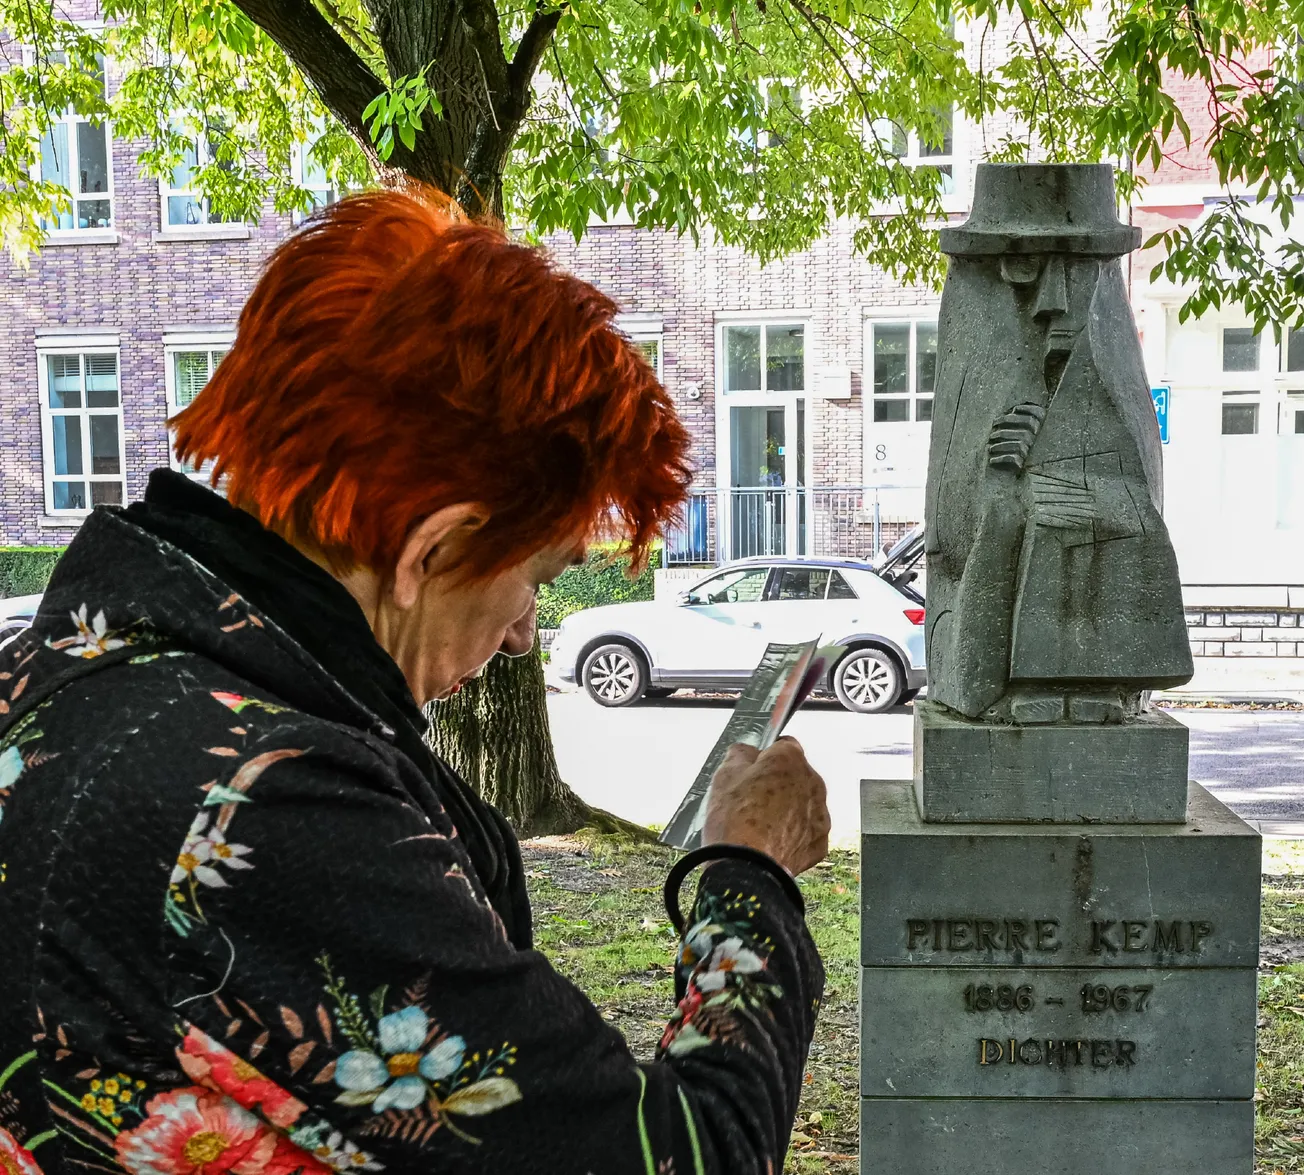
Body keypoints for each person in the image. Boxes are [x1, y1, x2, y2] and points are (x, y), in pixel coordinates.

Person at [0, 191, 830, 1175]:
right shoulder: (272, 802)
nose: (526, 632)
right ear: (428, 549)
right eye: (540, 574)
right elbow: (691, 1159)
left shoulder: (64, 670)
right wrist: (747, 879)